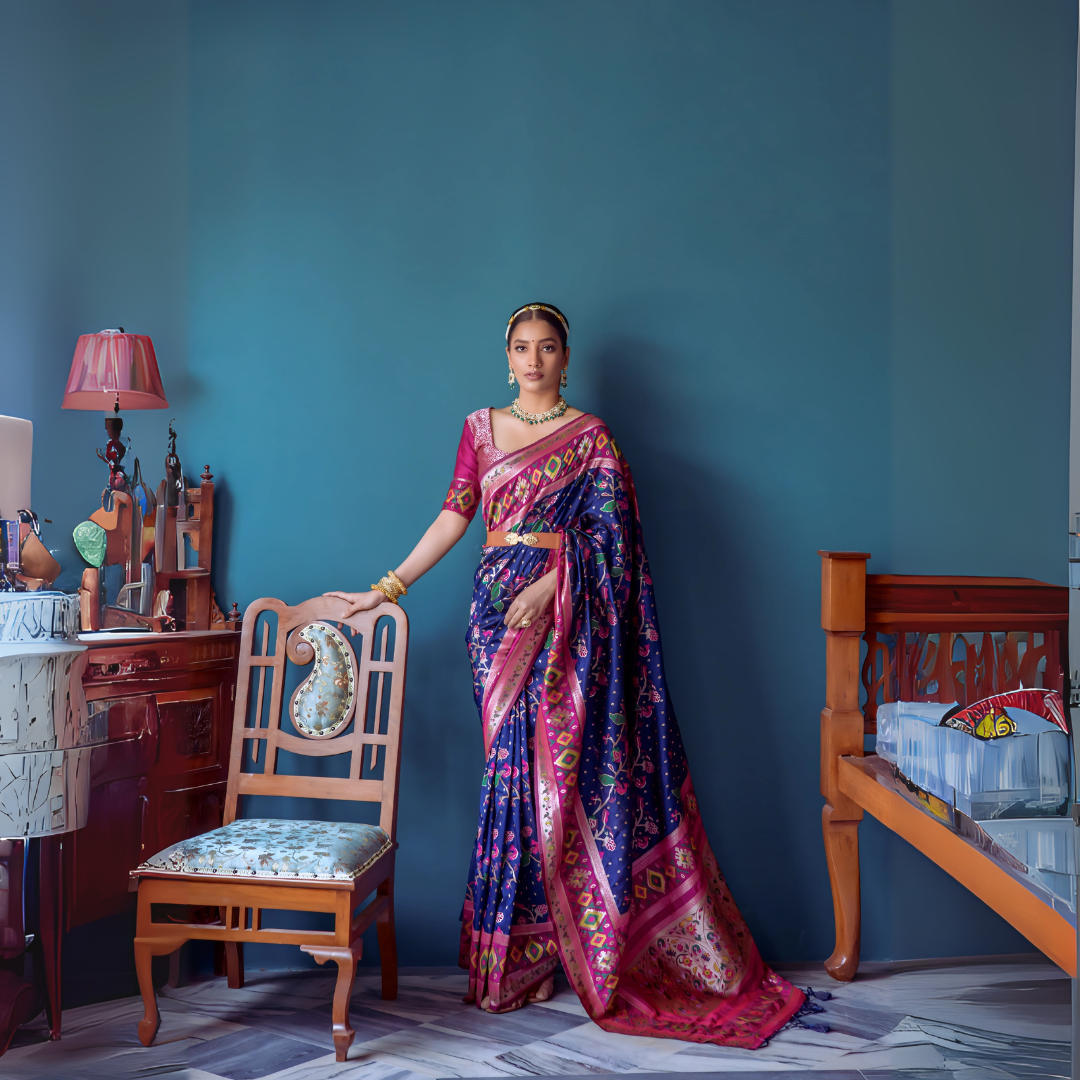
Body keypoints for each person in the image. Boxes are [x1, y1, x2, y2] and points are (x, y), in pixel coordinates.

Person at [325, 303, 804, 1047]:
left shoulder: (595, 442)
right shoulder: (481, 429)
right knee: (512, 783)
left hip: (565, 618)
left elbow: (617, 540)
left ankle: (557, 951)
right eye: (523, 347)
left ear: (566, 358)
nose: (535, 359)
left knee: (564, 782)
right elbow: (456, 514)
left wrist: (558, 584)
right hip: (495, 623)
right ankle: (515, 960)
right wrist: (385, 588)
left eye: (548, 348)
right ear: (506, 356)